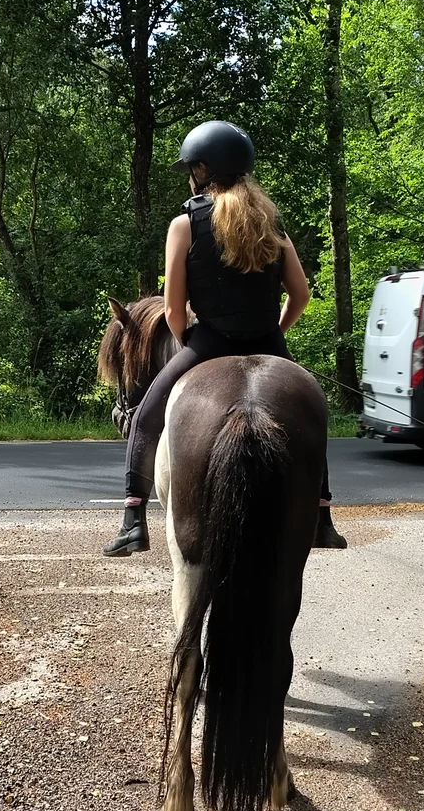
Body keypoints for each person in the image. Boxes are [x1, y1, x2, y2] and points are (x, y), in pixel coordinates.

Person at [103, 120, 347, 557]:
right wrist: (275, 332)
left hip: (210, 341)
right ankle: (322, 518)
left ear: (203, 170)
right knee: (311, 410)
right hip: (268, 341)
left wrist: (189, 341)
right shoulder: (271, 223)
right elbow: (301, 293)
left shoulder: (185, 224)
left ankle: (133, 523)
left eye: (191, 169)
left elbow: (175, 311)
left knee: (144, 417)